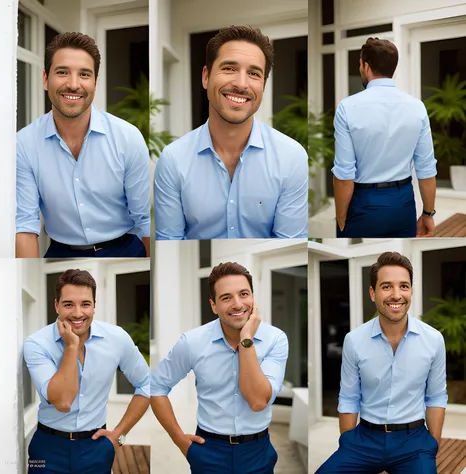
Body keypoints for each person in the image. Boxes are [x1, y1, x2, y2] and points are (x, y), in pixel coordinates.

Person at [154, 25, 308, 240]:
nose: (241, 84)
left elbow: (289, 243)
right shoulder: (173, 160)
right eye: (229, 68)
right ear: (206, 77)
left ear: (263, 85)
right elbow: (169, 240)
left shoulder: (291, 157)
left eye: (254, 73)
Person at [16, 32, 150, 258]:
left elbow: (145, 220)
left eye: (84, 74)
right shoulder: (24, 144)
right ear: (45, 79)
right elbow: (25, 227)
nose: (73, 84)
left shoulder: (128, 138)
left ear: (95, 82)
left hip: (126, 248)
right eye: (62, 72)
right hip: (59, 252)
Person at [150, 262, 288, 473]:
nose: (238, 304)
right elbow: (156, 387)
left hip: (257, 452)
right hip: (209, 451)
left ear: (253, 298)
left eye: (244, 294)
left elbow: (258, 401)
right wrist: (180, 441)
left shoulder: (275, 339)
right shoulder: (193, 341)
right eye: (226, 297)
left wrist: (246, 339)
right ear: (213, 305)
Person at [316, 252, 447, 474]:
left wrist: (431, 446)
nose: (396, 295)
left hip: (413, 441)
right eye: (386, 286)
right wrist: (347, 443)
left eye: (404, 286)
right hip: (364, 439)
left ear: (411, 291)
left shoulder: (433, 340)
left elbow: (435, 396)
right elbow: (349, 398)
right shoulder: (354, 340)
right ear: (372, 293)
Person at [24, 269, 150, 474]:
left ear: (94, 306)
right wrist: (71, 347)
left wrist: (119, 435)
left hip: (96, 448)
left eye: (85, 304)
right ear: (56, 305)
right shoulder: (37, 344)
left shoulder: (116, 338)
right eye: (68, 304)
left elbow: (146, 384)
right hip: (46, 451)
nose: (77, 313)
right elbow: (63, 402)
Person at [332, 37, 437, 238]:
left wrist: (340, 216)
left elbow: (345, 174)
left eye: (360, 64)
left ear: (366, 65)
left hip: (363, 204)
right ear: (392, 68)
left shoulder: (347, 107)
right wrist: (427, 213)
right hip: (403, 205)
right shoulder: (417, 107)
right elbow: (426, 168)